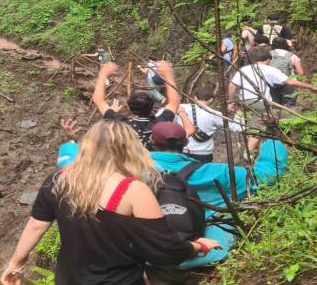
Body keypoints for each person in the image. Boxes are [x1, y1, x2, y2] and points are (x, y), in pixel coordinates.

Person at [57, 119, 288, 279]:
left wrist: (71, 142)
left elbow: (73, 167)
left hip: (145, 256)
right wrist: (272, 142)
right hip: (209, 251)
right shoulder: (217, 172)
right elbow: (264, 176)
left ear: (150, 143)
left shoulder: (128, 173)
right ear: (185, 143)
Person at [0, 120, 222, 285]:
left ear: (87, 146)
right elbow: (164, 248)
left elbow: (36, 225)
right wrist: (199, 246)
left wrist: (16, 264)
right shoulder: (133, 190)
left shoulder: (59, 182)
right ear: (131, 148)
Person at [228, 45, 317, 151]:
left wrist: (231, 101)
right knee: (259, 130)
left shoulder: (244, 69)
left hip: (244, 102)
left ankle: (257, 153)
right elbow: (291, 81)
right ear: (268, 59)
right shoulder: (269, 69)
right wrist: (310, 87)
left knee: (253, 126)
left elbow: (232, 86)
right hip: (260, 102)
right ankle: (248, 154)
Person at [92, 61, 181, 149]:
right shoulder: (159, 124)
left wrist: (103, 74)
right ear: (152, 106)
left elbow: (98, 100)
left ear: (130, 107)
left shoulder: (122, 123)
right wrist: (168, 75)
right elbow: (174, 103)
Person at [175, 86, 244, 163]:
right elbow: (238, 128)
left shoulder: (180, 108)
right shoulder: (215, 114)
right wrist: (238, 114)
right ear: (211, 100)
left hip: (181, 150)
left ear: (195, 97)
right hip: (203, 154)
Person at [269, 37, 305, 108]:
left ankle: (277, 118)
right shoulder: (292, 56)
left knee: (275, 106)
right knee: (289, 106)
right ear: (286, 44)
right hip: (289, 82)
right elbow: (300, 73)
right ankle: (288, 118)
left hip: (272, 83)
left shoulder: (268, 55)